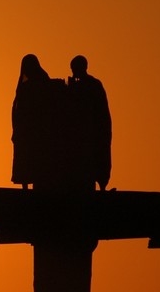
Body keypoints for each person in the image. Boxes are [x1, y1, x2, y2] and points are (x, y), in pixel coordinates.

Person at [11, 54, 63, 189]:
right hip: (25, 131)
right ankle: (25, 184)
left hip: (38, 132)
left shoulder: (41, 84)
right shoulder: (25, 87)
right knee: (25, 158)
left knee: (35, 159)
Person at [66, 55, 112, 191]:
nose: (73, 72)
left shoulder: (93, 85)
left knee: (95, 161)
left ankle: (101, 185)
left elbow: (97, 111)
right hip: (80, 136)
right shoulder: (79, 85)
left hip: (93, 134)